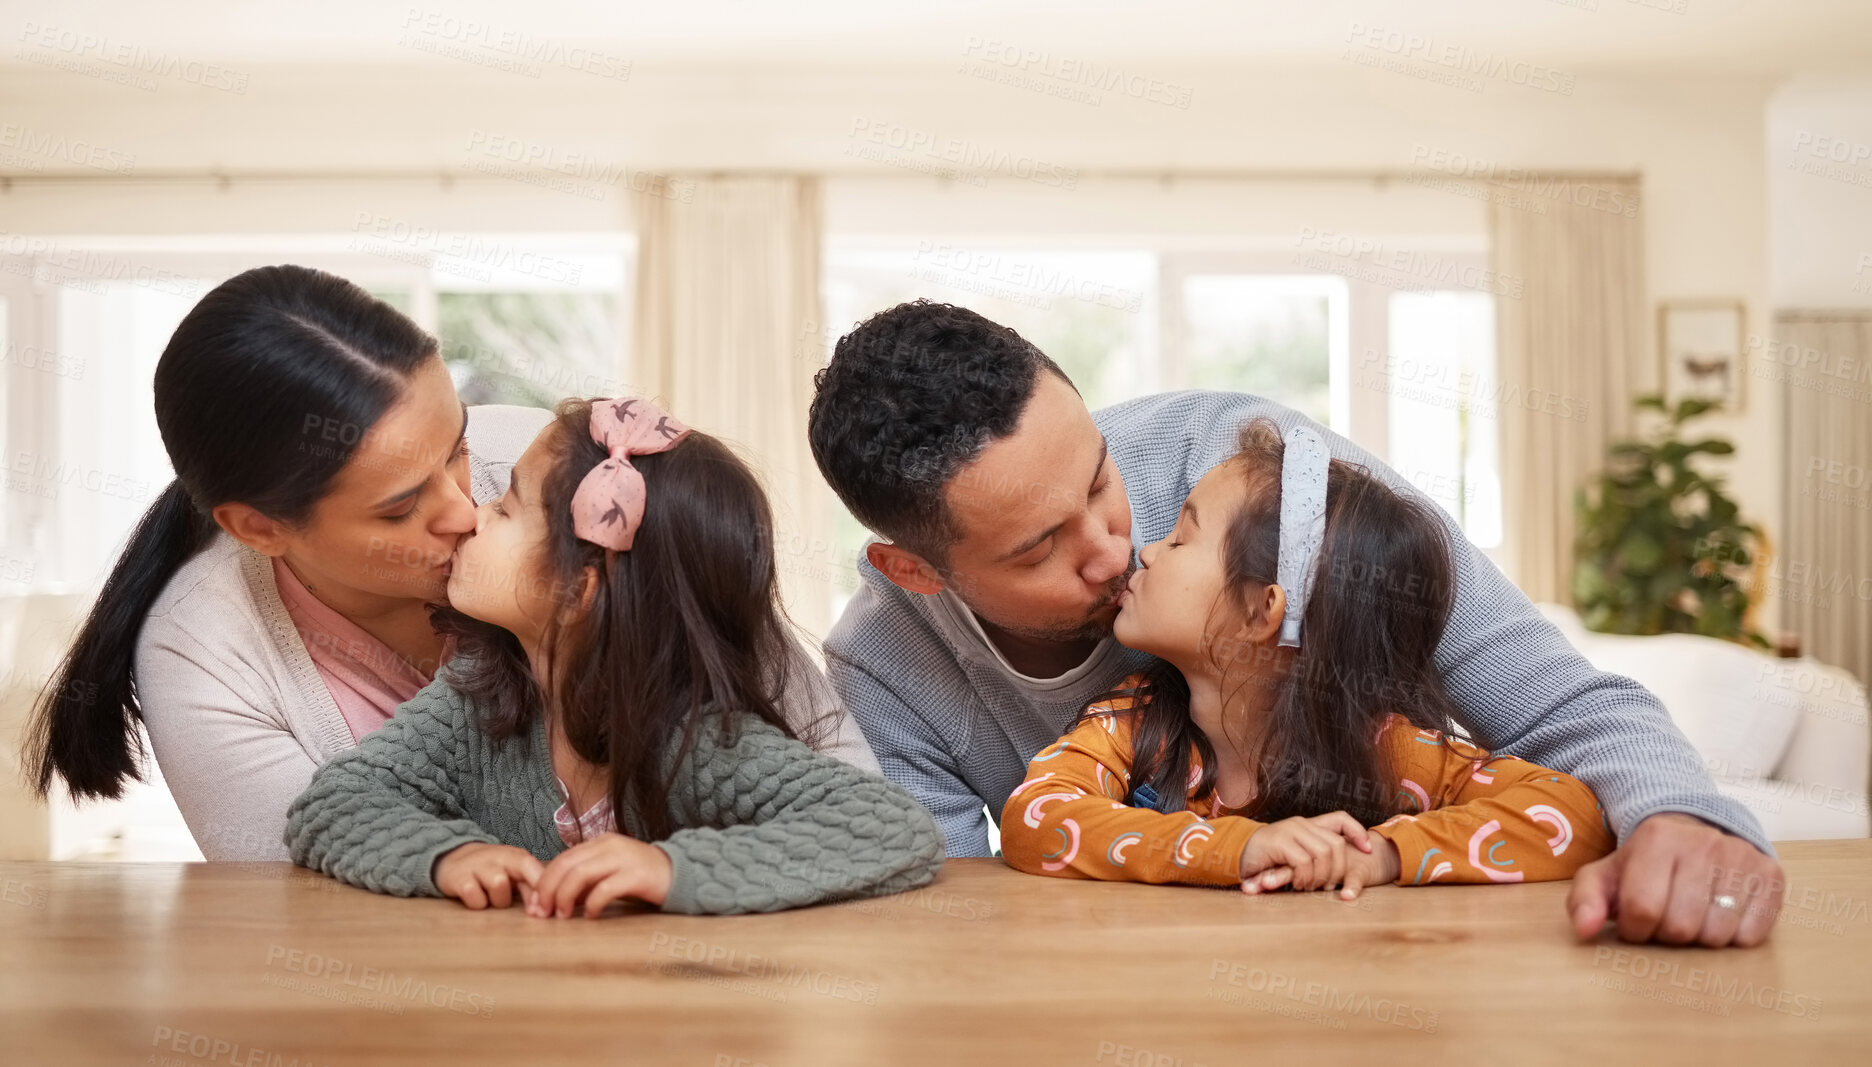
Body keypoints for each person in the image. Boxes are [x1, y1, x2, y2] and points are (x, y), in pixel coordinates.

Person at [807, 299, 1783, 947]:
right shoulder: (882, 667)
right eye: (1037, 548)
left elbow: (1553, 701)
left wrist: (1682, 814)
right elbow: (962, 929)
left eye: (1102, 478)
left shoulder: (1260, 473)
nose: (1119, 548)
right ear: (914, 569)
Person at [25, 265, 872, 861]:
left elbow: (832, 762)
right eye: (399, 507)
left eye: (459, 447)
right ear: (261, 528)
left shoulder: (549, 474)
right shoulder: (202, 650)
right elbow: (304, 900)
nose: (469, 507)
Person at [286, 398, 942, 916]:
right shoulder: (473, 698)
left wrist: (671, 870)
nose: (473, 515)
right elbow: (333, 805)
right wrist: (442, 856)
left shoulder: (694, 741)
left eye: (507, 507)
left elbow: (891, 828)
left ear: (578, 589)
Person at [1000, 419, 1615, 896]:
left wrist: (1382, 855)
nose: (1148, 552)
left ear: (1262, 611)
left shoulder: (1383, 750)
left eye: (1181, 538)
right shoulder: (1134, 725)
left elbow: (1574, 817)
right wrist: (1234, 849)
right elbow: (1032, 819)